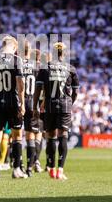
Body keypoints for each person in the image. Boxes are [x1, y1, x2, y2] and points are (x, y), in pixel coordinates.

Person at [33, 43, 79, 180]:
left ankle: (51, 169)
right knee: (63, 136)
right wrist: (70, 103)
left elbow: (38, 91)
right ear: (64, 54)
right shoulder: (70, 69)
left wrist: (35, 106)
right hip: (65, 105)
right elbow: (75, 92)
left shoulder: (45, 68)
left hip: (49, 106)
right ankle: (60, 170)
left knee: (50, 137)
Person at [0, 36, 26, 180]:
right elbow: (20, 83)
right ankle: (16, 169)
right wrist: (22, 103)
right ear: (14, 47)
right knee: (17, 136)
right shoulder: (17, 60)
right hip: (12, 102)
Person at [21, 42, 39, 177]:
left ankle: (17, 164)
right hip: (33, 102)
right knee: (30, 136)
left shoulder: (18, 64)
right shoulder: (37, 66)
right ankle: (29, 167)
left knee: (14, 134)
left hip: (19, 102)